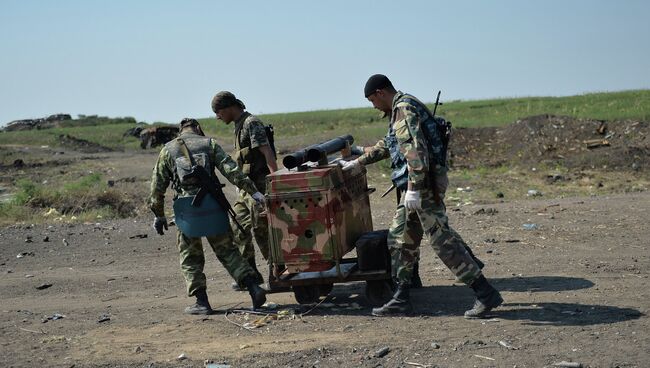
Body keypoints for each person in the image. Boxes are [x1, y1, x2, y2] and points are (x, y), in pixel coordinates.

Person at [342, 75, 502, 318]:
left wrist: (414, 189)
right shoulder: (401, 106)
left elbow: (416, 153)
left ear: (381, 92)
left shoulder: (403, 109)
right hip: (416, 186)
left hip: (422, 186)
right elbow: (389, 145)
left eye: (372, 100)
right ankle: (401, 297)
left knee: (442, 241)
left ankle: (485, 293)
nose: (373, 106)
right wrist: (358, 162)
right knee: (400, 238)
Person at [149, 118, 267, 315]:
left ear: (181, 131)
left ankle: (202, 302)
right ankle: (254, 289)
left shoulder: (167, 150)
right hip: (213, 207)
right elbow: (231, 170)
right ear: (197, 128)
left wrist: (159, 215)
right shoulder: (209, 144)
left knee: (190, 256)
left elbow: (157, 187)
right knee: (229, 252)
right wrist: (253, 191)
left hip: (187, 212)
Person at [211, 91, 278, 288]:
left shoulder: (251, 123)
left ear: (229, 108)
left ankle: (278, 275)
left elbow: (268, 154)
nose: (217, 117)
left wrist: (276, 184)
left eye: (218, 112)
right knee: (238, 229)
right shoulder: (238, 126)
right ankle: (250, 276)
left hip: (260, 188)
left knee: (263, 233)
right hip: (246, 190)